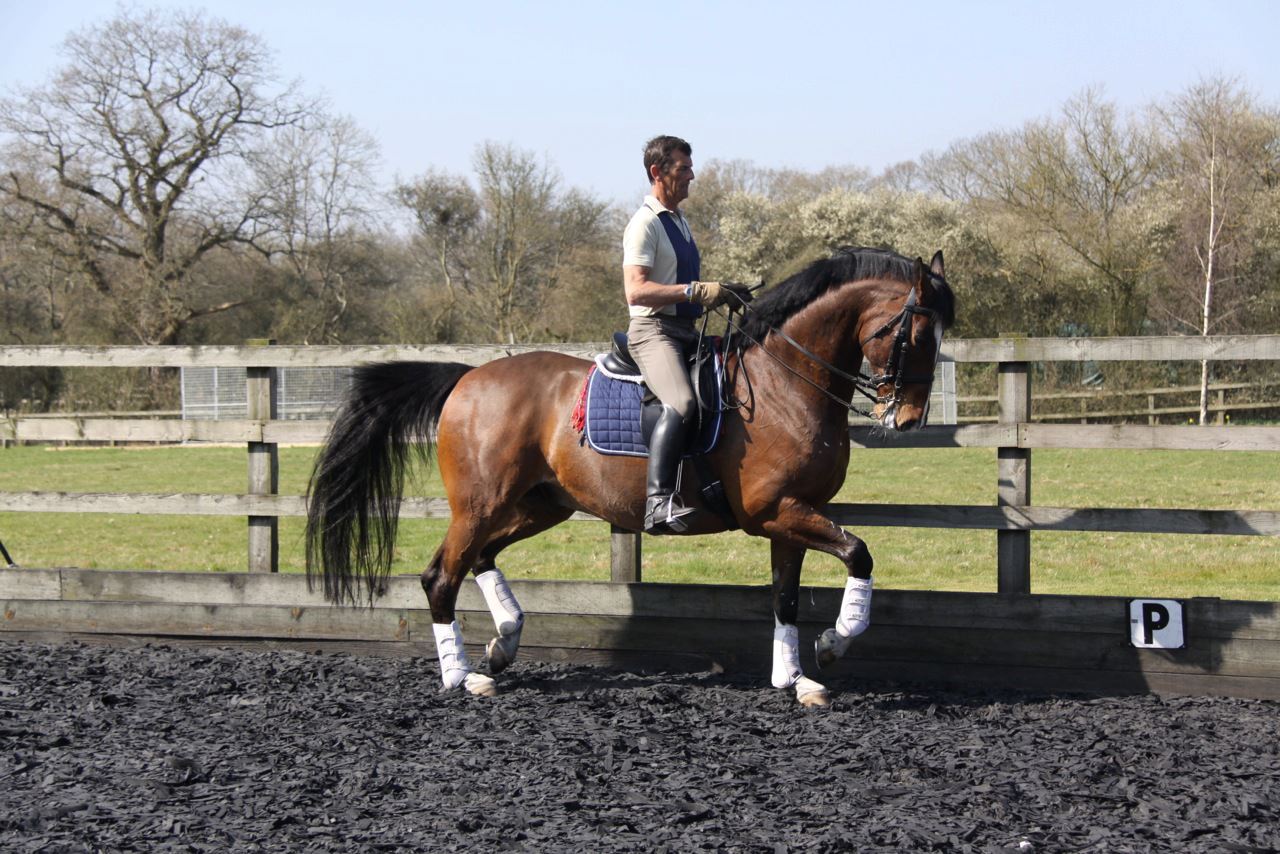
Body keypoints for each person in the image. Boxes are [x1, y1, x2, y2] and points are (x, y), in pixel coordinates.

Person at [621, 135, 747, 534]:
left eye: (690, 167)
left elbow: (684, 283)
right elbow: (636, 291)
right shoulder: (644, 224)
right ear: (658, 172)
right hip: (653, 331)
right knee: (681, 402)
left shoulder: (679, 221)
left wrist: (722, 291)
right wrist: (694, 290)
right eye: (683, 169)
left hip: (684, 331)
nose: (692, 175)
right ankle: (657, 502)